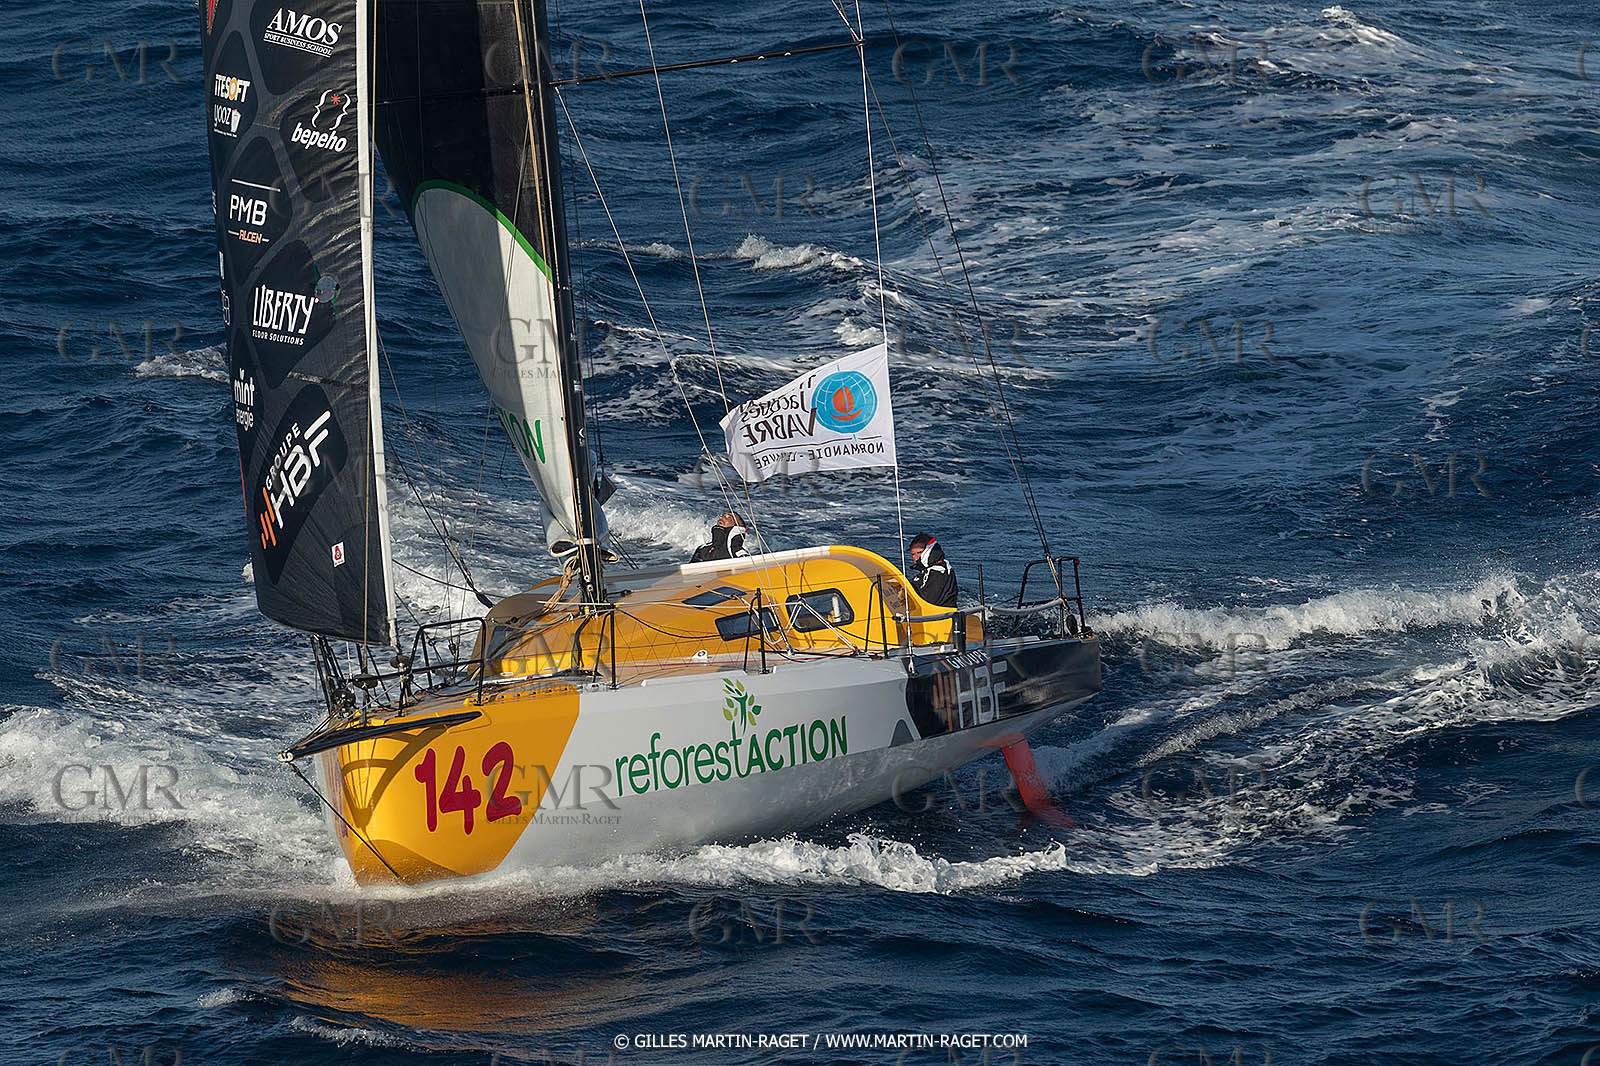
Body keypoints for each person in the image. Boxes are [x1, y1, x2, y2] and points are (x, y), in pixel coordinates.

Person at [908, 532, 957, 607]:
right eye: (913, 554)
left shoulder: (938, 572)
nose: (915, 557)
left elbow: (927, 601)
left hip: (937, 616)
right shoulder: (928, 571)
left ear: (929, 552)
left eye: (919, 553)